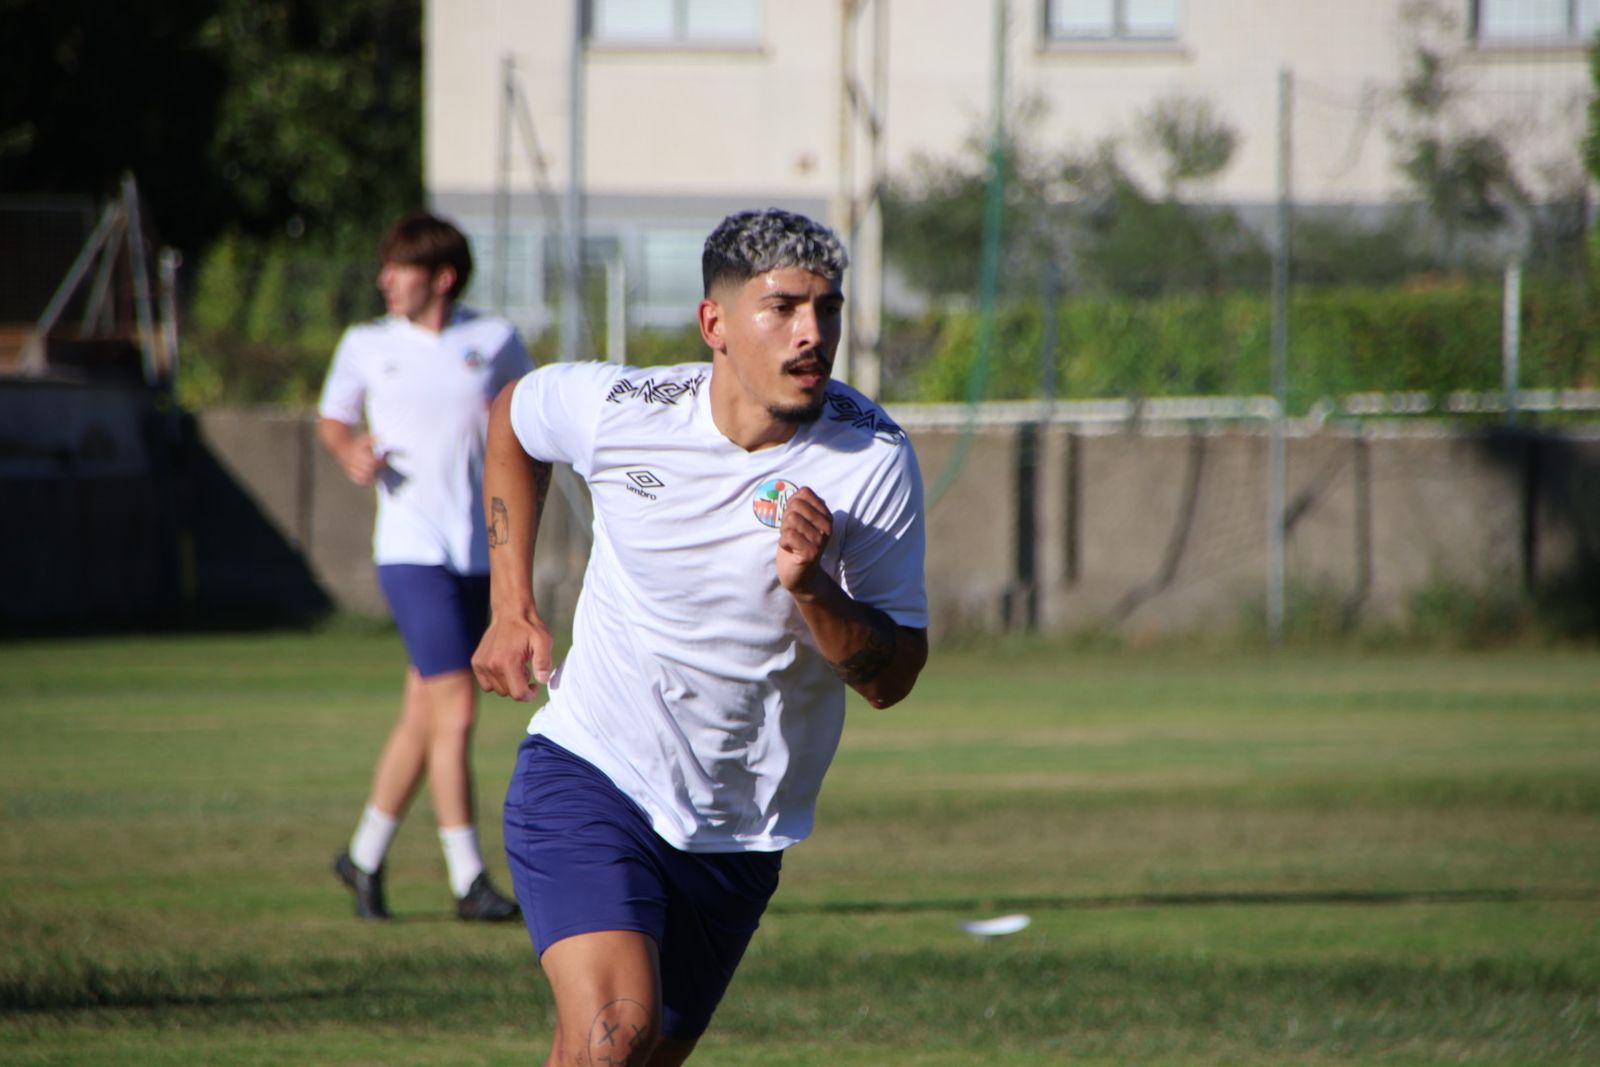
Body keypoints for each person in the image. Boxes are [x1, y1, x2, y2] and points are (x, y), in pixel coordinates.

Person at [472, 208, 929, 1065]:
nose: (812, 332)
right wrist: (509, 601)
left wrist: (813, 588)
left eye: (827, 308)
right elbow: (512, 416)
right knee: (617, 1030)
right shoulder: (626, 410)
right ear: (714, 323)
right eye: (783, 307)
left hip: (738, 830)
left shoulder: (871, 459)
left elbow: (891, 676)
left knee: (618, 1054)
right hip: (593, 772)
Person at [318, 210, 532, 922]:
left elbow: (529, 418)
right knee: (458, 710)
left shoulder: (494, 339)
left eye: (399, 267)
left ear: (441, 277)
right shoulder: (366, 343)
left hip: (479, 554)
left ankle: (363, 856)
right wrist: (349, 450)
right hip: (411, 552)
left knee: (424, 714)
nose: (385, 279)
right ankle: (468, 880)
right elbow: (333, 419)